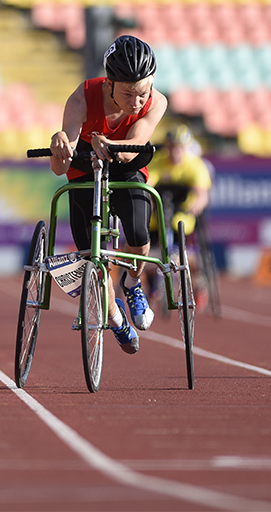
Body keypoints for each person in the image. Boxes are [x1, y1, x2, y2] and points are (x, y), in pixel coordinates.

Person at [50, 35, 168, 355]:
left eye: (143, 91)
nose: (137, 101)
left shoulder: (157, 102)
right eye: (128, 93)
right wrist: (60, 144)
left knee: (140, 237)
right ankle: (115, 318)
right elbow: (60, 166)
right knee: (91, 256)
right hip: (85, 167)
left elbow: (136, 142)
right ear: (109, 84)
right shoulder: (82, 98)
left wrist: (113, 148)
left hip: (127, 162)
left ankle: (131, 283)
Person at [147, 124, 213, 309]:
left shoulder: (195, 165)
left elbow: (202, 194)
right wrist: (149, 206)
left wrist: (192, 208)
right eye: (172, 147)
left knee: (185, 249)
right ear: (167, 147)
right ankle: (152, 286)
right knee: (147, 247)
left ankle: (198, 283)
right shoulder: (158, 162)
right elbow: (147, 187)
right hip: (158, 215)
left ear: (186, 148)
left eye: (179, 147)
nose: (175, 151)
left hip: (183, 215)